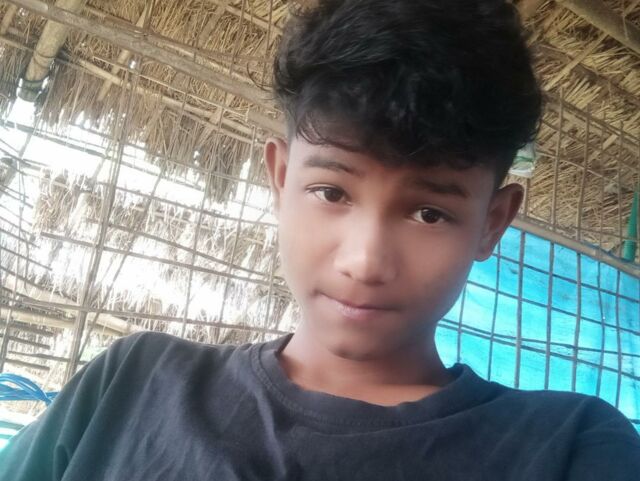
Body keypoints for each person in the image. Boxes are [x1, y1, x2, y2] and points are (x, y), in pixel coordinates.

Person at [1, 1, 639, 479]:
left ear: (493, 222)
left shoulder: (571, 448)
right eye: (332, 192)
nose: (365, 261)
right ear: (281, 179)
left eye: (429, 213)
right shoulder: (129, 385)